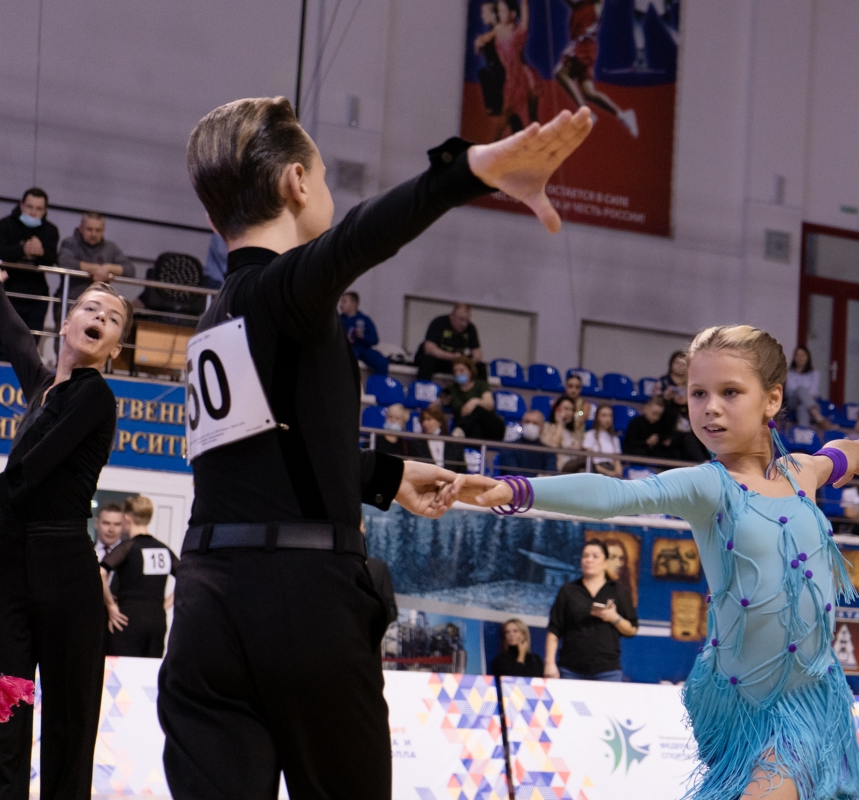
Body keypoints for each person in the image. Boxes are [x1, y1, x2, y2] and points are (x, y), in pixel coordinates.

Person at [157, 96, 592, 800]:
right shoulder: (281, 290)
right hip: (301, 602)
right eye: (326, 174)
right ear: (297, 182)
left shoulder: (215, 318)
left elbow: (266, 463)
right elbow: (362, 236)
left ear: (213, 218)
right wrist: (471, 170)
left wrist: (385, 476)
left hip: (204, 605)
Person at [461, 324, 859, 800]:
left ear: (772, 399)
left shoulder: (802, 471)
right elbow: (615, 494)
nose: (710, 407)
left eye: (730, 392)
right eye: (698, 393)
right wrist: (513, 489)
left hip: (814, 697)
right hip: (749, 707)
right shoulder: (709, 484)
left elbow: (847, 452)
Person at [0, 267, 132, 799]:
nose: (100, 317)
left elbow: (24, 476)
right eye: (90, 308)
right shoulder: (41, 388)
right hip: (10, 561)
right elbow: (16, 339)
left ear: (115, 348)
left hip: (64, 564)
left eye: (112, 318)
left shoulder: (95, 397)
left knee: (68, 721)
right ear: (66, 322)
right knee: (1, 704)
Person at [542, 540, 637, 681]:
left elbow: (632, 630)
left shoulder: (619, 592)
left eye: (595, 556)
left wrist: (614, 618)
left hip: (607, 671)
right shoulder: (568, 591)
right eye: (585, 556)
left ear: (605, 562)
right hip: (570, 670)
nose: (589, 560)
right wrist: (549, 663)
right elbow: (554, 630)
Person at [100, 496, 178, 658]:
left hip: (127, 619)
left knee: (123, 668)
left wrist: (111, 605)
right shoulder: (163, 550)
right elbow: (185, 577)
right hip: (157, 620)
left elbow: (101, 572)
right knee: (151, 668)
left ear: (127, 517)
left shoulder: (128, 547)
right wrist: (164, 604)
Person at [0, 188, 59, 360]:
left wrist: (41, 253)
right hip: (8, 292)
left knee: (29, 348)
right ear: (21, 205)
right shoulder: (5, 224)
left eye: (38, 209)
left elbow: (52, 259)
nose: (33, 212)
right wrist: (22, 249)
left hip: (36, 296)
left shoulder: (50, 230)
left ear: (45, 210)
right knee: (4, 345)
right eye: (29, 207)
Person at [555, 0, 639, 137]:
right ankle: (623, 115)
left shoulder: (594, 4)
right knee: (588, 92)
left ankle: (584, 112)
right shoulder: (580, 5)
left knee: (560, 72)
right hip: (587, 47)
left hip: (583, 46)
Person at [54, 212, 133, 326]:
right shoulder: (70, 243)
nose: (93, 234)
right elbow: (64, 262)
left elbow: (130, 270)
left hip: (100, 309)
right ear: (81, 228)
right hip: (70, 305)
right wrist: (97, 269)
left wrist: (108, 268)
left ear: (103, 230)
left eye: (98, 230)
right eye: (89, 229)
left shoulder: (110, 248)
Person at [483, 0, 539, 140]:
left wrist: (524, 3)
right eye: (499, 11)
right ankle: (494, 144)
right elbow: (486, 38)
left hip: (525, 76)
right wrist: (480, 42)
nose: (500, 14)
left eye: (503, 11)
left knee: (532, 116)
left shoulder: (519, 32)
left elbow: (525, 19)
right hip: (511, 77)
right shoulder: (498, 29)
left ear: (513, 14)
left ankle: (537, 144)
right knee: (506, 112)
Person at [437, 356, 505, 441]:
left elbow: (489, 405)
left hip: (489, 427)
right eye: (455, 371)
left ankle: (461, 429)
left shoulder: (481, 385)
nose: (458, 373)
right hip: (471, 431)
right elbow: (434, 405)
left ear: (470, 371)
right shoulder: (451, 389)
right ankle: (462, 430)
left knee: (477, 409)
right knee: (473, 427)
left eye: (461, 370)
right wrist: (442, 403)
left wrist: (474, 401)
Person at [414, 303, 484, 380]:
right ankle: (423, 385)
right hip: (438, 360)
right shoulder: (439, 322)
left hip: (455, 363)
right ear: (452, 316)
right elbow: (429, 349)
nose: (464, 324)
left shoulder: (470, 328)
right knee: (427, 360)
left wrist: (466, 361)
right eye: (461, 319)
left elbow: (478, 354)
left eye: (467, 320)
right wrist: (452, 356)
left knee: (480, 366)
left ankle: (481, 388)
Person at [338, 291, 388, 376]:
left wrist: (363, 336)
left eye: (344, 302)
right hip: (348, 348)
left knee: (382, 361)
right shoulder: (339, 320)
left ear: (353, 303)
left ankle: (377, 383)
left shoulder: (365, 320)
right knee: (350, 357)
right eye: (341, 302)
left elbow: (375, 340)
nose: (341, 305)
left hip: (364, 348)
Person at [623, 394, 676, 461]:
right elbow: (630, 442)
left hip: (653, 452)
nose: (656, 418)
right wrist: (646, 442)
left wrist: (664, 441)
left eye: (659, 415)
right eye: (654, 413)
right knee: (640, 452)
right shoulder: (635, 422)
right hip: (637, 450)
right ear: (646, 409)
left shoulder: (660, 425)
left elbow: (664, 437)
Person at [500, 409, 552, 476]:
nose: (530, 425)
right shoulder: (509, 448)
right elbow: (513, 473)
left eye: (535, 423)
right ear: (522, 424)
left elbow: (551, 474)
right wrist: (538, 476)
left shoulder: (548, 452)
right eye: (527, 422)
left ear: (542, 428)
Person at [541, 396, 585, 472]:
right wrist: (560, 424)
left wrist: (577, 449)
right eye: (566, 409)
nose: (570, 413)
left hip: (575, 467)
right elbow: (551, 447)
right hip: (559, 467)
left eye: (572, 410)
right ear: (557, 409)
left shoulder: (575, 433)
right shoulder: (547, 427)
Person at [419, 406, 467, 473]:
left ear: (439, 422)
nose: (425, 423)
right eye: (423, 420)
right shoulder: (418, 444)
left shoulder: (453, 443)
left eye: (429, 419)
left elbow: (462, 468)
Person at [785, 345, 821, 428]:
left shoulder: (815, 374)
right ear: (794, 358)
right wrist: (802, 392)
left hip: (809, 401)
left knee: (802, 407)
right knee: (801, 390)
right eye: (798, 355)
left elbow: (814, 392)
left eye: (803, 355)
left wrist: (804, 396)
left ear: (808, 357)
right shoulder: (789, 373)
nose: (800, 358)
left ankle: (804, 432)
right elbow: (789, 390)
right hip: (792, 401)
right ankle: (819, 419)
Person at [583, 404, 622, 478]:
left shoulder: (615, 439)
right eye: (604, 415)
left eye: (610, 416)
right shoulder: (590, 435)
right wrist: (609, 473)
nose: (608, 419)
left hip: (611, 469)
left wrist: (617, 472)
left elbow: (617, 462)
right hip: (596, 472)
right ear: (597, 417)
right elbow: (591, 461)